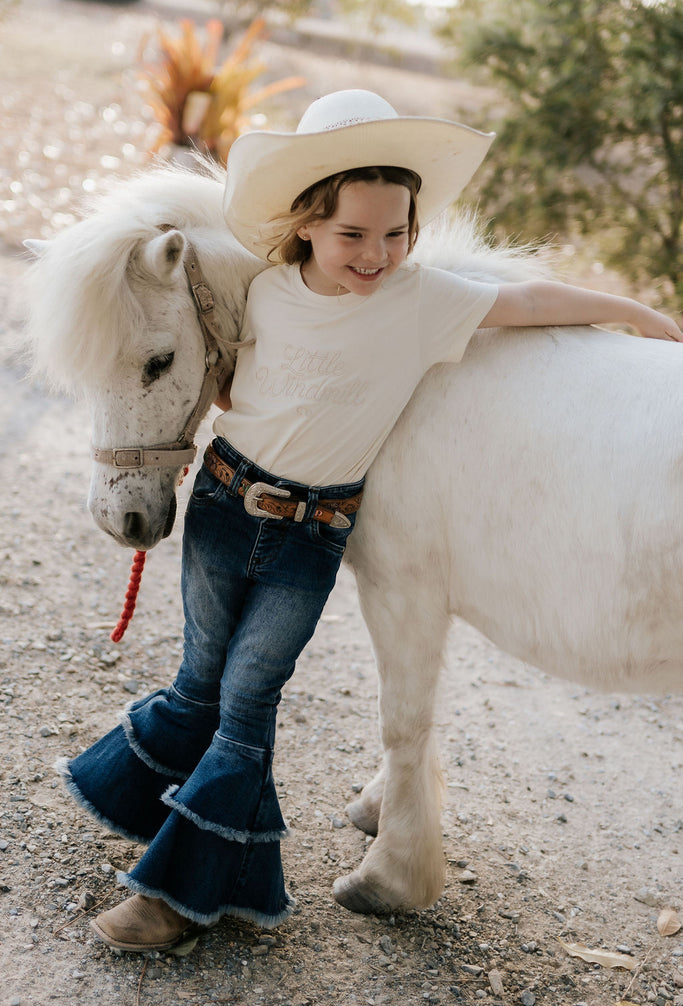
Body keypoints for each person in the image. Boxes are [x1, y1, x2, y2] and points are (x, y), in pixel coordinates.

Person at [58, 90, 683, 953]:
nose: (377, 255)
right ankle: (149, 805)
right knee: (199, 681)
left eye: (397, 235)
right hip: (220, 511)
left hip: (307, 540)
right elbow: (239, 382)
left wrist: (628, 310)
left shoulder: (417, 301)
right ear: (307, 224)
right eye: (353, 235)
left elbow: (525, 301)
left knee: (246, 707)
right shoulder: (269, 292)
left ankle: (174, 898)